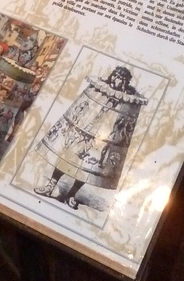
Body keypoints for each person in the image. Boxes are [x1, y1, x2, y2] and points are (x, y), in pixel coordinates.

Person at [34, 66, 147, 210]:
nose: (115, 79)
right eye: (114, 75)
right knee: (66, 157)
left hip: (101, 136)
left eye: (119, 78)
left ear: (124, 81)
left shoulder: (127, 97)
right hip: (86, 127)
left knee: (86, 166)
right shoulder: (102, 87)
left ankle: (71, 195)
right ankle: (50, 186)